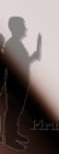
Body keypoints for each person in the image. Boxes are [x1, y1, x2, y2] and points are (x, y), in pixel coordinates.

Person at [3, 17, 41, 150]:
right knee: (13, 111)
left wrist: (32, 58)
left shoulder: (16, 43)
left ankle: (14, 133)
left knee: (17, 111)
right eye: (23, 26)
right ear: (16, 28)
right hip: (14, 86)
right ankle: (9, 138)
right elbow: (15, 67)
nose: (25, 28)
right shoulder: (12, 44)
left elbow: (21, 64)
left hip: (21, 84)